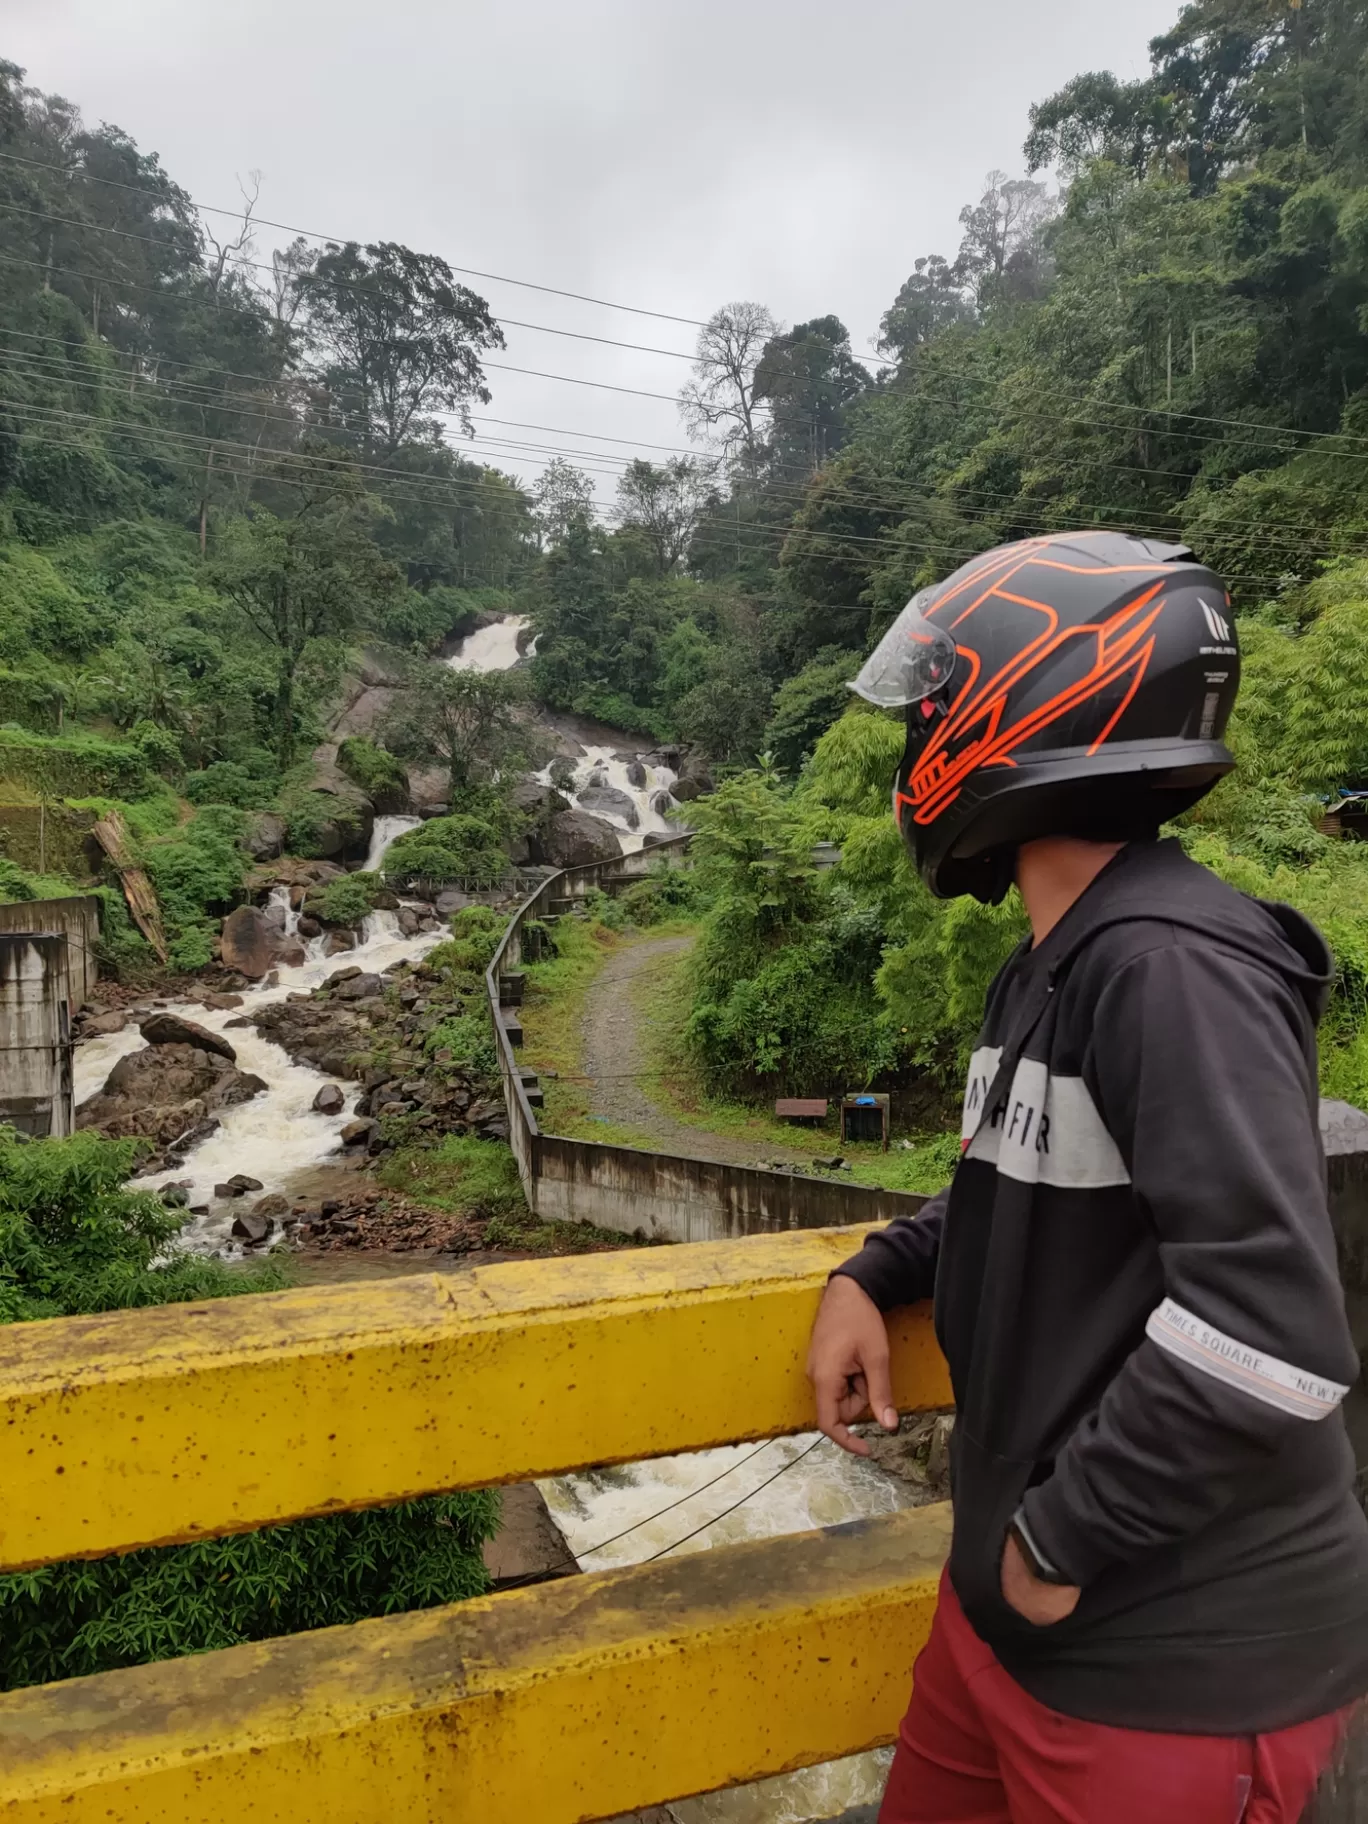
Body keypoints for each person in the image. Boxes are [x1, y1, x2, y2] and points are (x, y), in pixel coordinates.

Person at [806, 532, 1368, 1824]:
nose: (918, 747)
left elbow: (1270, 1329)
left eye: (937, 707)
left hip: (1167, 1662)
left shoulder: (1171, 968)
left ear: (1034, 704)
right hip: (1011, 1626)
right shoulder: (1058, 959)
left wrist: (1053, 1546)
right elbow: (1025, 1181)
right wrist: (875, 1271)